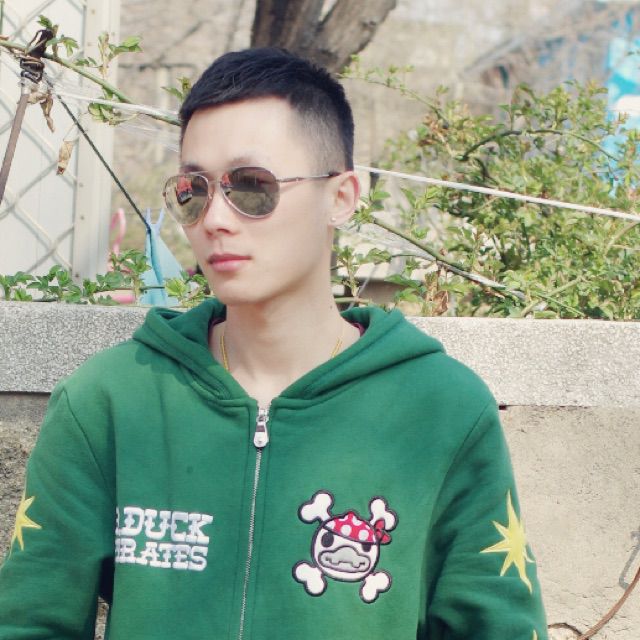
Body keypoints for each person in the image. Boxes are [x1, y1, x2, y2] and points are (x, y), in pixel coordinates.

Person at [0, 47, 547, 639]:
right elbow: (31, 621)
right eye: (193, 190)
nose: (215, 218)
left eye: (251, 186)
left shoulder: (440, 410)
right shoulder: (109, 401)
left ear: (341, 196)